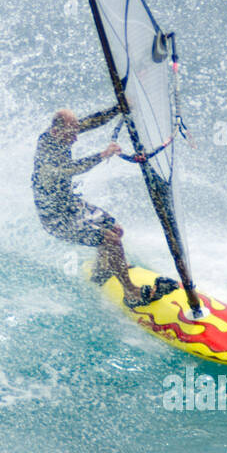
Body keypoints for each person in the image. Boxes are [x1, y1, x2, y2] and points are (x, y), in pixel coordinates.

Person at [32, 105, 178, 308]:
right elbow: (71, 169)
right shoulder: (46, 155)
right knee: (111, 241)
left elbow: (91, 121)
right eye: (72, 134)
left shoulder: (63, 132)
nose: (75, 138)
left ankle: (102, 272)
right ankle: (131, 293)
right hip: (56, 219)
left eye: (76, 132)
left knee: (116, 230)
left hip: (71, 204)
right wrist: (103, 155)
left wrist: (118, 108)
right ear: (56, 132)